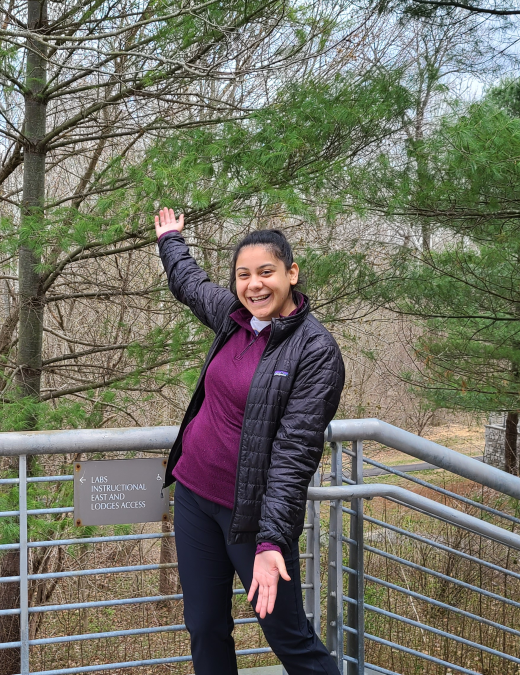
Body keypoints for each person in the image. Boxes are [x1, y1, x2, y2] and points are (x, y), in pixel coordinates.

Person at [154, 207, 345, 675]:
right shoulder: (233, 318)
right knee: (204, 627)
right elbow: (190, 284)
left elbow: (295, 454)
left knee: (287, 636)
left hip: (254, 519)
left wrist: (271, 543)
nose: (254, 285)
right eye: (244, 275)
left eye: (266, 272)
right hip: (194, 496)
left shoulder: (316, 352)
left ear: (291, 273)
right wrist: (171, 240)